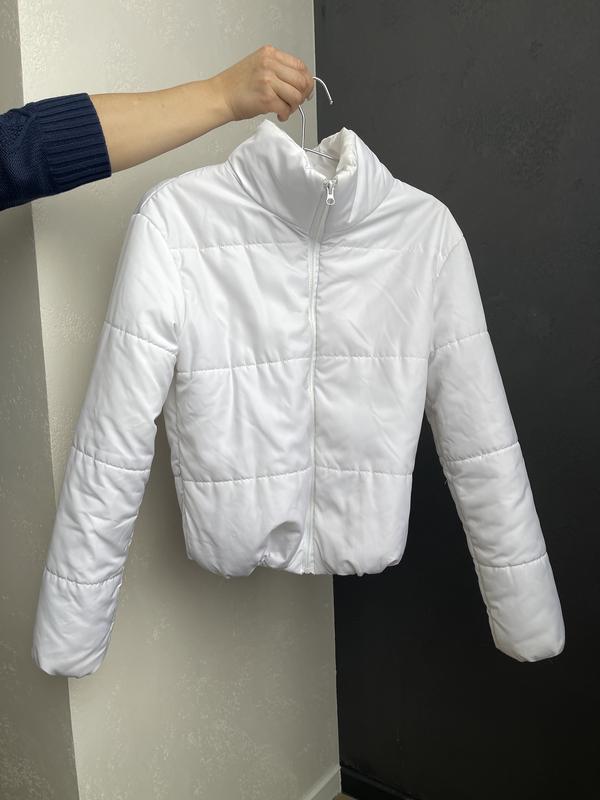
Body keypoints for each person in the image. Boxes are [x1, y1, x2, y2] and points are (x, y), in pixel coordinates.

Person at [0, 44, 314, 211]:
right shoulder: (170, 214)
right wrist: (222, 96)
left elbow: (18, 154)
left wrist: (222, 96)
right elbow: (18, 156)